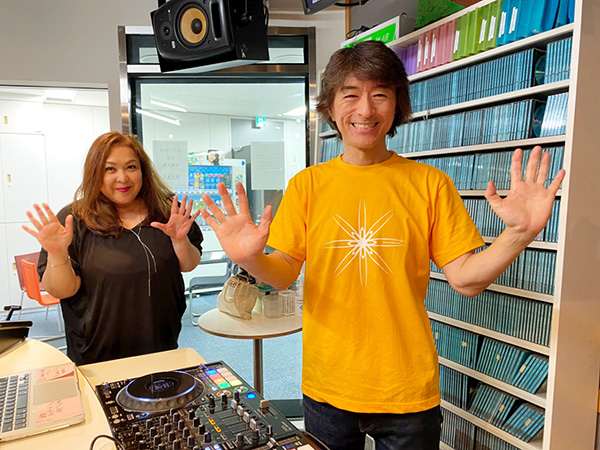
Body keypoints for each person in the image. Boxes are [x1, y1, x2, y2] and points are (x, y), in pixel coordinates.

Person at [199, 41, 565, 450]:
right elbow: (283, 273)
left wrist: (520, 234)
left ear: (396, 105)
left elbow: (465, 279)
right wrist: (250, 258)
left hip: (407, 388)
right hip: (328, 384)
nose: (365, 110)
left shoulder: (429, 184)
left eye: (380, 94)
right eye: (350, 95)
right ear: (330, 106)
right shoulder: (307, 185)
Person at [23, 131, 203, 365]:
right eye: (110, 169)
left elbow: (188, 265)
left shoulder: (168, 211)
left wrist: (180, 241)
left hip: (162, 347)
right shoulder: (75, 218)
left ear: (143, 170)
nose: (122, 178)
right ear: (95, 172)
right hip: (97, 356)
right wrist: (57, 254)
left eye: (131, 167)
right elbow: (62, 290)